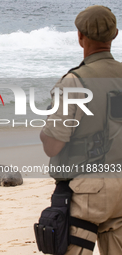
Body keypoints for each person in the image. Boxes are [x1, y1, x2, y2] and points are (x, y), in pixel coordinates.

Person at [40, 5, 122, 255]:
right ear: (115, 34)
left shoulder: (74, 81)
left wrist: (44, 132)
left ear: (80, 37)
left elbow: (53, 145)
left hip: (89, 189)